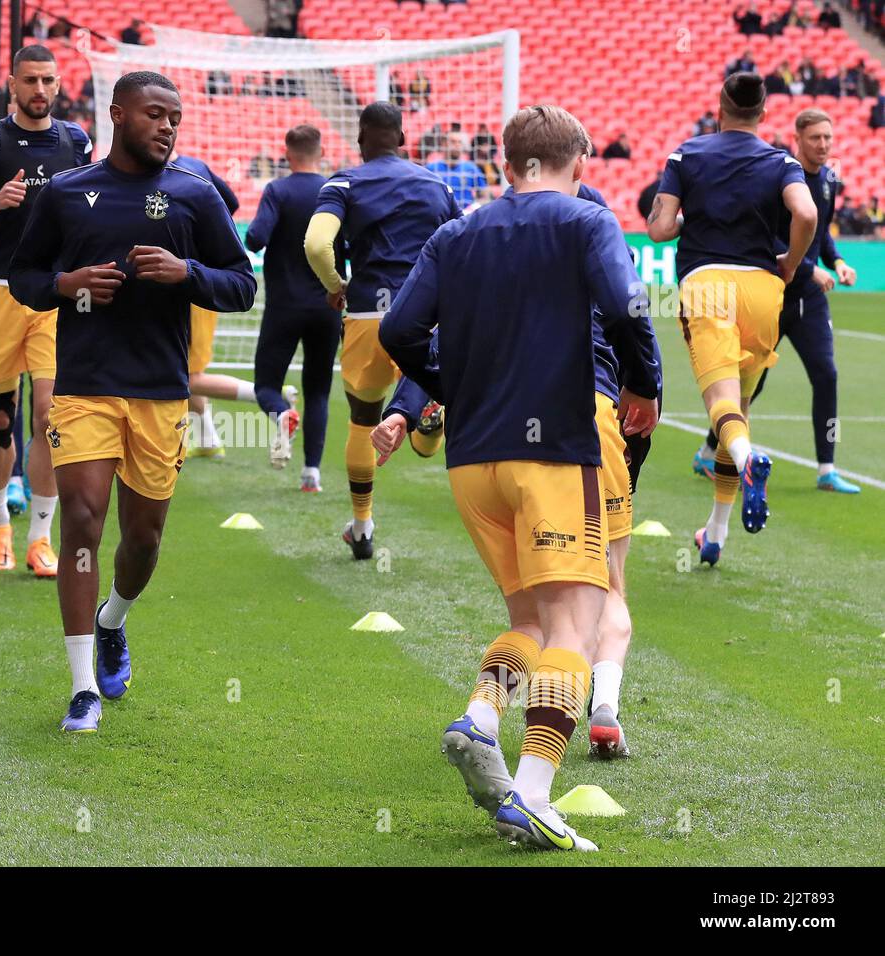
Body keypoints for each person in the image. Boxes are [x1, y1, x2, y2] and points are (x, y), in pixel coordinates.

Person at [378, 104, 660, 851]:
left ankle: (479, 718)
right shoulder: (585, 220)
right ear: (581, 160)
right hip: (560, 442)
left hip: (475, 459)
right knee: (577, 621)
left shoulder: (456, 233)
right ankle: (532, 792)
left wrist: (449, 385)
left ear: (506, 164)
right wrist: (646, 382)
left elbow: (398, 330)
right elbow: (628, 304)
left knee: (528, 621)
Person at [10, 70, 256, 733]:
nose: (168, 125)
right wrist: (66, 283)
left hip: (159, 393)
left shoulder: (194, 195)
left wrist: (189, 274)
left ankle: (113, 619)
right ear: (119, 115)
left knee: (143, 540)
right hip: (84, 386)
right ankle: (83, 689)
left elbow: (241, 285)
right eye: (155, 114)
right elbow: (24, 280)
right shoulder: (68, 192)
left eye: (175, 116)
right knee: (84, 518)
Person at [648, 73, 817, 565]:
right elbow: (804, 215)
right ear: (764, 114)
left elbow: (659, 230)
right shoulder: (781, 160)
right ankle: (716, 531)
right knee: (737, 411)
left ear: (718, 108)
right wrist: (790, 263)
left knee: (722, 409)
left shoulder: (687, 155)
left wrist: (686, 218)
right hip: (763, 290)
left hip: (708, 285)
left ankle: (749, 462)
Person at [0, 45, 94, 576]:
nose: (40, 90)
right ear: (11, 84)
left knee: (52, 415)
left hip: (54, 294)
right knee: (1, 416)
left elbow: (91, 209)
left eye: (48, 80)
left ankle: (40, 539)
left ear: (58, 83)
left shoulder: (77, 141)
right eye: (30, 80)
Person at [305, 102, 458, 560]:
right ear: (403, 138)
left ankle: (363, 525)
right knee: (426, 400)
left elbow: (315, 243)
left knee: (362, 419)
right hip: (426, 313)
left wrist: (336, 287)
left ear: (359, 139)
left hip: (369, 312)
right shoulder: (437, 184)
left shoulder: (343, 182)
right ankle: (429, 421)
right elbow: (459, 244)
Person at [694, 109, 861, 494]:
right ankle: (707, 450)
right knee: (750, 384)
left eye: (828, 138)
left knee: (827, 374)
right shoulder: (779, 177)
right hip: (770, 296)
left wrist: (836, 262)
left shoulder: (828, 181)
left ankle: (826, 469)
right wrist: (808, 268)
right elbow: (770, 240)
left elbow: (819, 232)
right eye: (816, 138)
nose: (823, 145)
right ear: (798, 137)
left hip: (808, 300)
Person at [244, 125, 343, 484]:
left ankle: (282, 413)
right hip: (328, 305)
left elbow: (255, 238)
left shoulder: (278, 190)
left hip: (284, 306)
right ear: (321, 152)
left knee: (266, 386)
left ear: (287, 154)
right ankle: (311, 473)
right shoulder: (335, 191)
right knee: (318, 389)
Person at [167, 146, 263, 458]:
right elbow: (231, 203)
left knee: (190, 376)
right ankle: (207, 440)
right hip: (186, 281)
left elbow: (226, 207)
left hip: (191, 285)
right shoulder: (198, 166)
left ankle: (268, 397)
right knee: (186, 368)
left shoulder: (184, 171)